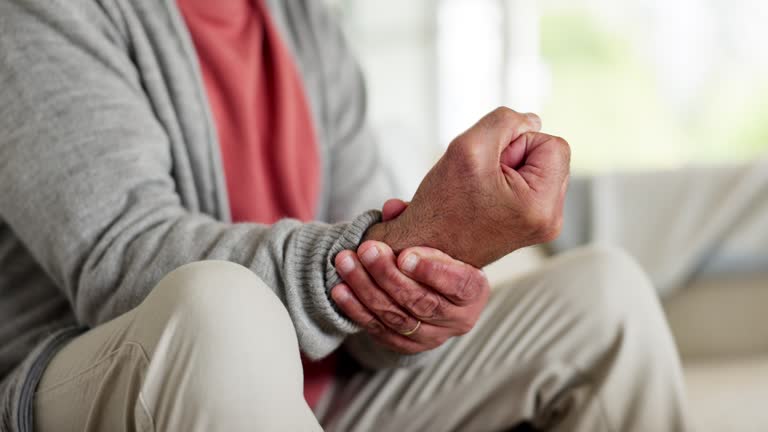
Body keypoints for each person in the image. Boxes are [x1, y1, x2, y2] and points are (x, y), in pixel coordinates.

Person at [0, 1, 692, 431]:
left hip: (314, 395)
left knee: (607, 296)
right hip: (89, 383)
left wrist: (415, 295)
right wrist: (420, 235)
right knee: (221, 309)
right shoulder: (40, 11)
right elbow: (122, 264)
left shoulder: (305, 25)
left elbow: (366, 300)